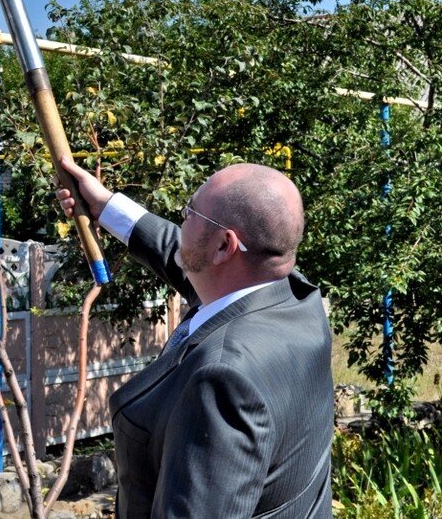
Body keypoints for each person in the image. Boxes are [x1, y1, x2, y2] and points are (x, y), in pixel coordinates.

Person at [56, 157, 333, 518]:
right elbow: (186, 256)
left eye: (189, 212)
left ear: (224, 246)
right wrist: (106, 206)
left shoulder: (224, 380)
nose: (181, 220)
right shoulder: (297, 301)